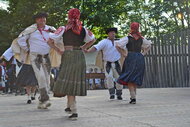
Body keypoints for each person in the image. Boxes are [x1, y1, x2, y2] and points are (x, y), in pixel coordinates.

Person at [48, 8, 95, 120]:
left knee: (68, 81)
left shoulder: (63, 28)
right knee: (74, 81)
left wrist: (58, 50)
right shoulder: (83, 29)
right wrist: (83, 47)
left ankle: (74, 111)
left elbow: (49, 41)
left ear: (68, 16)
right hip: (79, 55)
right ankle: (69, 106)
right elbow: (93, 39)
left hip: (68, 55)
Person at [17, 12, 56, 108]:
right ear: (36, 20)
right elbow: (20, 40)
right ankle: (45, 99)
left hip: (46, 56)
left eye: (44, 18)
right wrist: (28, 49)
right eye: (40, 18)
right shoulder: (31, 30)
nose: (42, 20)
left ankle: (42, 100)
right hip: (35, 57)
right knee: (41, 77)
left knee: (47, 79)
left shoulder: (51, 29)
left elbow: (58, 38)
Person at [115, 22, 152, 104]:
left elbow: (117, 45)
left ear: (131, 28)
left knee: (129, 77)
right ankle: (133, 96)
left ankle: (133, 97)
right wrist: (143, 53)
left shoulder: (128, 38)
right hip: (139, 57)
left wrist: (123, 54)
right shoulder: (141, 39)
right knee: (134, 78)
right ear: (138, 28)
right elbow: (149, 45)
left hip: (130, 57)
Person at [85, 27, 123, 100]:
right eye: (111, 32)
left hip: (117, 63)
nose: (113, 33)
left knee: (119, 78)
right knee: (109, 77)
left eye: (114, 32)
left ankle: (119, 94)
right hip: (107, 63)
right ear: (108, 34)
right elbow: (96, 47)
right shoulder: (104, 42)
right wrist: (88, 51)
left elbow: (127, 46)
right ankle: (112, 93)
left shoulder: (119, 42)